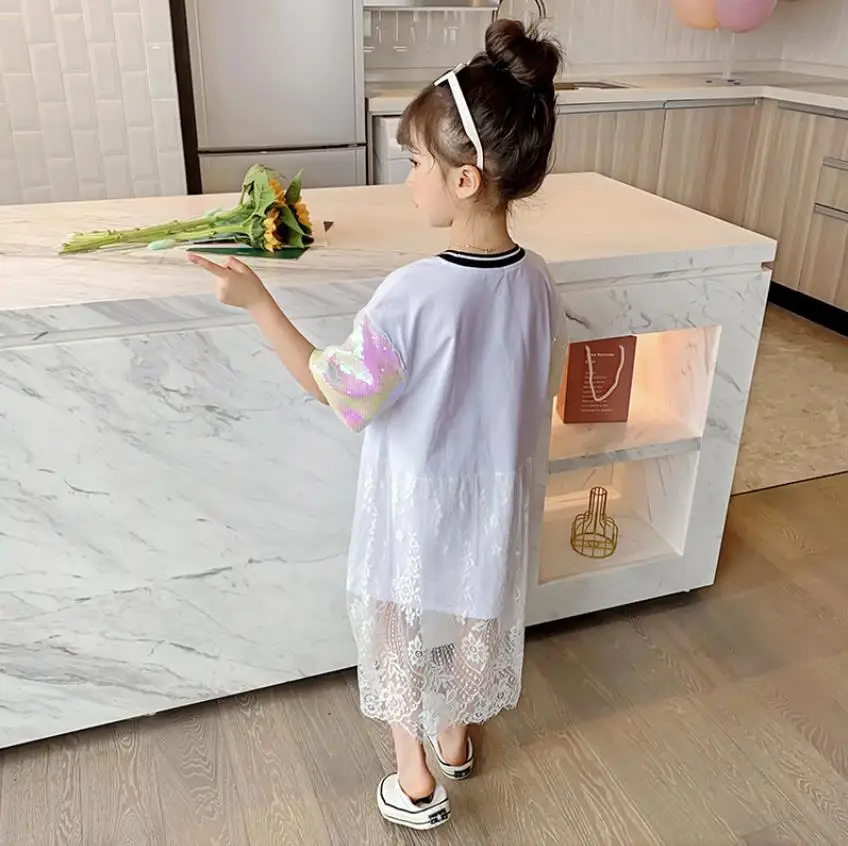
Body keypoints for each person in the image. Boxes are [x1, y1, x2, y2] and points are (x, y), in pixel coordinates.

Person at [189, 18, 565, 832]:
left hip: (413, 493)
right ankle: (457, 735)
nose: (409, 182)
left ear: (464, 179)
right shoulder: (537, 280)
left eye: (415, 164)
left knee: (394, 615)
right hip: (498, 494)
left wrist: (258, 303)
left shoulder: (414, 293)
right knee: (480, 610)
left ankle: (415, 776)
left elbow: (341, 393)